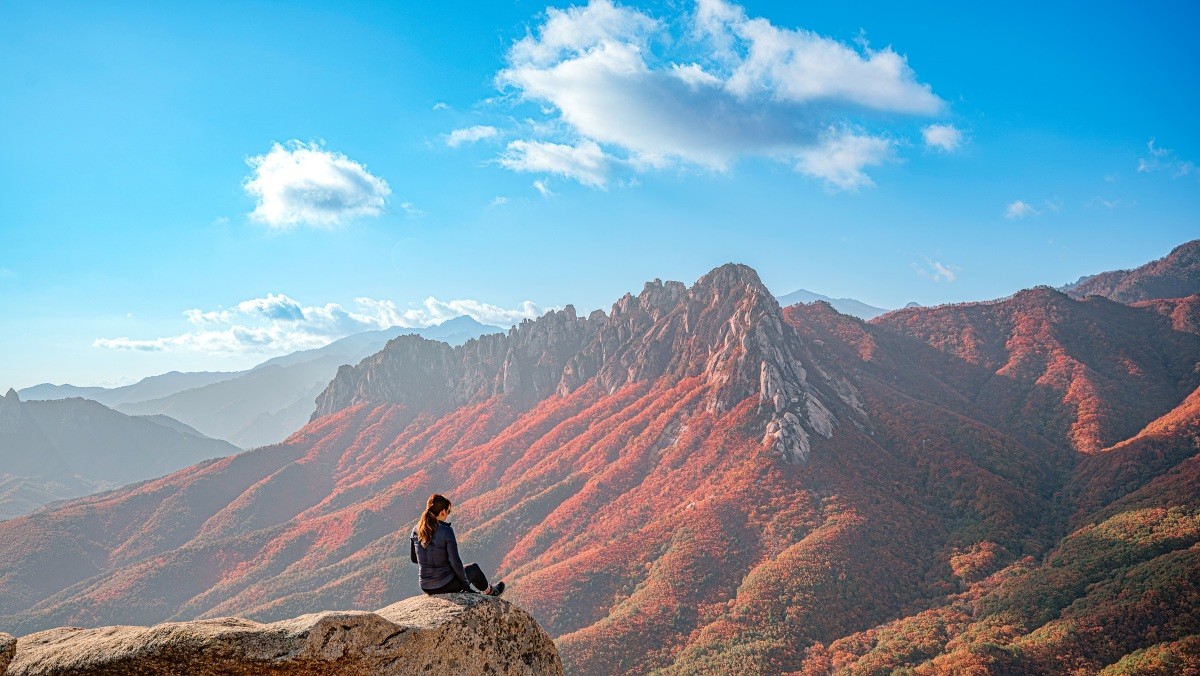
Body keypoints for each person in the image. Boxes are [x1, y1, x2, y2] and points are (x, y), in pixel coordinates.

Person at [410, 493, 505, 596]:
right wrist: (465, 585)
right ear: (442, 512)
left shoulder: (416, 530)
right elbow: (456, 562)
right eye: (448, 511)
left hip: (425, 586)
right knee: (473, 568)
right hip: (444, 585)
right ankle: (490, 591)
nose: (448, 514)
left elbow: (414, 558)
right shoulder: (446, 531)